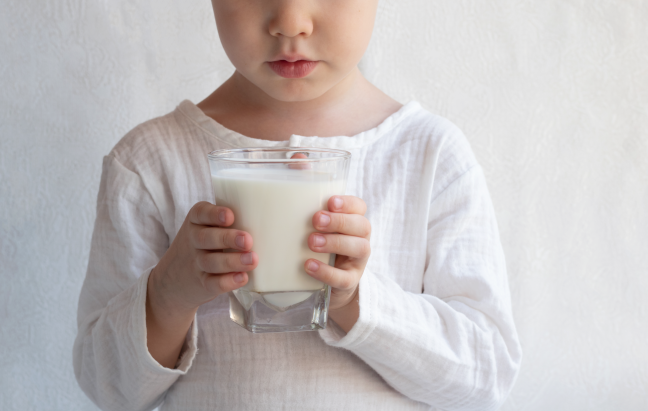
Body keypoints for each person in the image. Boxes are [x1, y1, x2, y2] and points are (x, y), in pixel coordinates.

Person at [72, 0, 522, 410]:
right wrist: (169, 294)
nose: (290, 22)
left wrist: (356, 302)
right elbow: (108, 387)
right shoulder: (150, 162)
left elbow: (485, 376)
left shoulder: (430, 155)